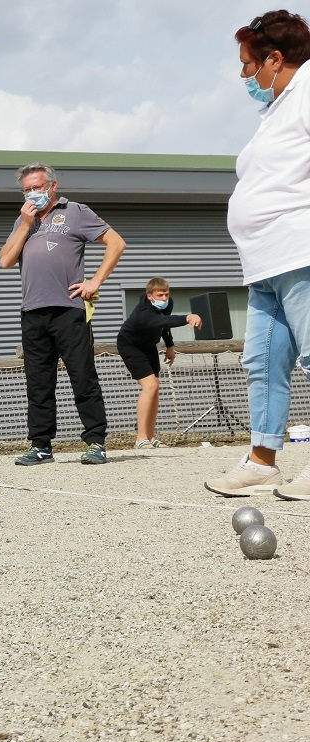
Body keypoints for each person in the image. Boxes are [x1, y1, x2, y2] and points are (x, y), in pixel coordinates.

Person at [205, 10, 310, 499]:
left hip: (300, 250)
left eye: (248, 66)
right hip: (265, 262)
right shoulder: (276, 109)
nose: (244, 76)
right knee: (262, 362)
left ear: (275, 58)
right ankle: (263, 460)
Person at [0, 162, 127, 466]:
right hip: (32, 310)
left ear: (52, 186)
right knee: (38, 382)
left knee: (82, 376)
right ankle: (41, 445)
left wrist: (94, 281)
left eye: (37, 187)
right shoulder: (24, 220)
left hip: (68, 309)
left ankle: (96, 442)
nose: (32, 193)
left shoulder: (76, 211)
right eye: (27, 189)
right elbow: (5, 260)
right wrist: (26, 224)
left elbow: (116, 243)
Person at [116, 277, 202, 449]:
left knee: (155, 388)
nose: (164, 298)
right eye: (160, 295)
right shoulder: (143, 313)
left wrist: (169, 345)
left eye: (166, 294)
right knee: (150, 386)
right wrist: (187, 317)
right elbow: (162, 321)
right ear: (150, 296)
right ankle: (140, 439)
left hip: (149, 346)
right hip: (130, 346)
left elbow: (164, 326)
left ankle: (151, 437)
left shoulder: (167, 304)